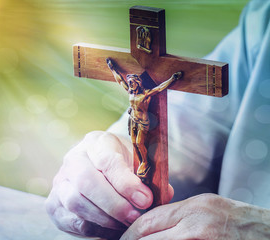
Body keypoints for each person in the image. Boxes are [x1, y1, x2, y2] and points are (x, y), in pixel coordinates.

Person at [46, 0, 270, 239]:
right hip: (139, 125)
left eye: (134, 82)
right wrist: (107, 165)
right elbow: (193, 132)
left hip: (143, 123)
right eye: (131, 82)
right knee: (139, 155)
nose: (133, 83)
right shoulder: (263, 22)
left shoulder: (146, 92)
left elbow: (162, 87)